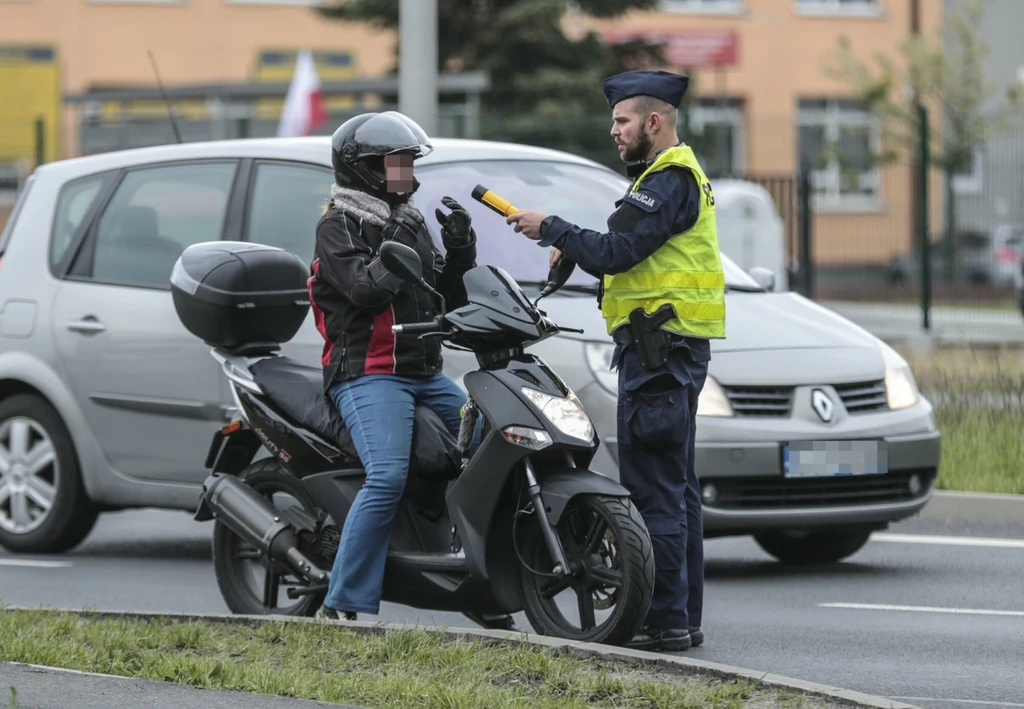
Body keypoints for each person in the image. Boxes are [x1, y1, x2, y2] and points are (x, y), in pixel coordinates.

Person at [505, 70, 726, 652]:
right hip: (671, 353)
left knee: (654, 492)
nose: (614, 131)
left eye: (623, 121)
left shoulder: (667, 180)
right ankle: (682, 616)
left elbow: (617, 251)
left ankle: (663, 621)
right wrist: (571, 244)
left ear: (655, 122)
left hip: (657, 356)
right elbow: (624, 255)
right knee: (677, 491)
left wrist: (550, 226)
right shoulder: (674, 178)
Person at [308, 111, 515, 631]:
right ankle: (342, 601)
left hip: (423, 370)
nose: (404, 171)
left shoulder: (413, 220)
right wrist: (399, 232)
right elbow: (364, 291)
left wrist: (461, 248)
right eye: (395, 162)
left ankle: (474, 577)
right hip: (368, 372)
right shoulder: (338, 225)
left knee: (497, 440)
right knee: (387, 476)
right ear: (366, 169)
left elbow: (441, 293)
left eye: (407, 161)